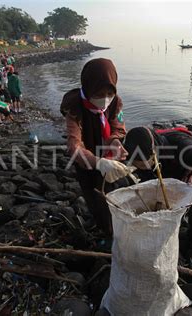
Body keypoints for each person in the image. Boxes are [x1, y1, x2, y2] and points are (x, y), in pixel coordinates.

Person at [60, 58, 132, 237]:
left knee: (114, 195)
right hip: (86, 160)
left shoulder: (115, 103)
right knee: (93, 197)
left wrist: (115, 141)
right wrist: (97, 162)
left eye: (110, 93)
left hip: (110, 157)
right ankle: (105, 231)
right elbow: (74, 145)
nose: (105, 99)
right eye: (99, 94)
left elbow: (118, 127)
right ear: (89, 88)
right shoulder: (75, 107)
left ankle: (117, 228)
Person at [123, 126, 192, 256]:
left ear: (153, 154)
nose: (134, 165)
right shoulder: (137, 146)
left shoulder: (189, 151)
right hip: (166, 165)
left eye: (138, 162)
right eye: (133, 161)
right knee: (160, 196)